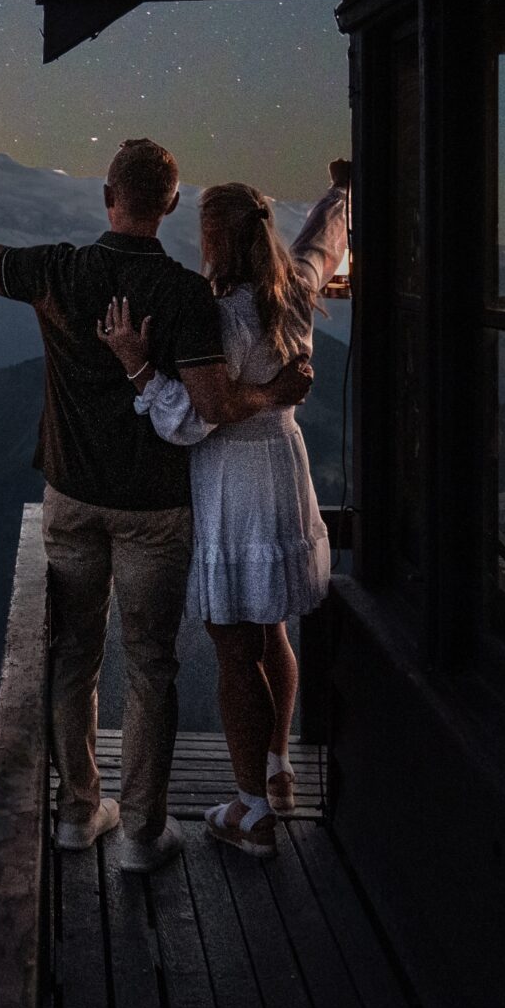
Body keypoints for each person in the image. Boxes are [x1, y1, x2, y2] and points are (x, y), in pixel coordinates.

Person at [0, 140, 311, 871]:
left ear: (108, 195)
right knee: (151, 667)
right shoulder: (184, 296)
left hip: (70, 497)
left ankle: (77, 813)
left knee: (75, 659)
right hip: (155, 511)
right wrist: (274, 392)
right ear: (167, 206)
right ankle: (140, 832)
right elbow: (215, 404)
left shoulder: (59, 269)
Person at [97, 159, 350, 860]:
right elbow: (324, 241)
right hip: (284, 467)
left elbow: (191, 421)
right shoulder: (294, 289)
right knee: (271, 630)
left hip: (235, 478)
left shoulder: (222, 315)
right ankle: (277, 771)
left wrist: (139, 368)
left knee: (234, 646)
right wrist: (344, 190)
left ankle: (252, 812)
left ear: (214, 237)